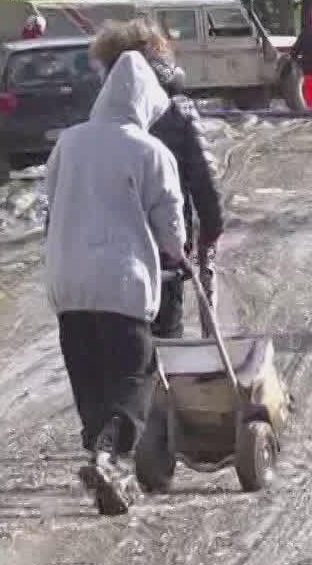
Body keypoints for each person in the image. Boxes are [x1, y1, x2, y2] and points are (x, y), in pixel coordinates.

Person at [43, 49, 186, 516]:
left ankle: (100, 458)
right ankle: (108, 452)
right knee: (133, 375)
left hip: (69, 283)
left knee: (89, 378)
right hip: (121, 284)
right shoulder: (150, 151)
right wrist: (177, 255)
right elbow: (169, 220)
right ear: (145, 101)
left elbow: (52, 200)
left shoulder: (69, 142)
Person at [88, 19, 224, 341]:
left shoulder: (100, 117)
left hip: (109, 251)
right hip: (165, 246)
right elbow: (203, 176)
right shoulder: (177, 111)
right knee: (165, 333)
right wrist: (211, 230)